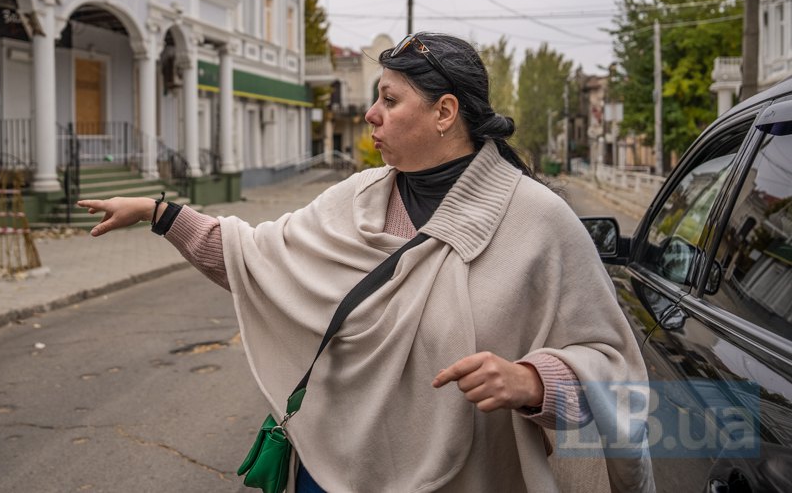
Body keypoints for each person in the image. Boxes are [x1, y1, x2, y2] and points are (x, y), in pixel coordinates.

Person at [79, 32, 653, 493]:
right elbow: (252, 261)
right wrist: (160, 214)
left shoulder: (538, 222)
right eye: (376, 97)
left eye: (390, 99)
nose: (371, 114)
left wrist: (531, 381)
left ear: (445, 111)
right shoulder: (354, 200)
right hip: (325, 471)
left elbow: (616, 373)